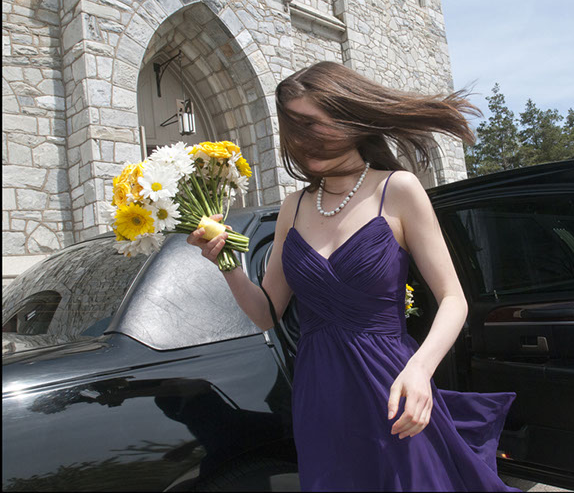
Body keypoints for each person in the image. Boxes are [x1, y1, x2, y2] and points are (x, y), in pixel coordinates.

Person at [188, 61, 520, 491]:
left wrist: (420, 371)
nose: (302, 140)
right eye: (293, 129)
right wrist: (227, 265)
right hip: (319, 393)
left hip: (393, 384)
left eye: (311, 124)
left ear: (348, 115)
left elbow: (453, 299)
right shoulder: (294, 205)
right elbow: (268, 313)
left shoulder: (397, 189)